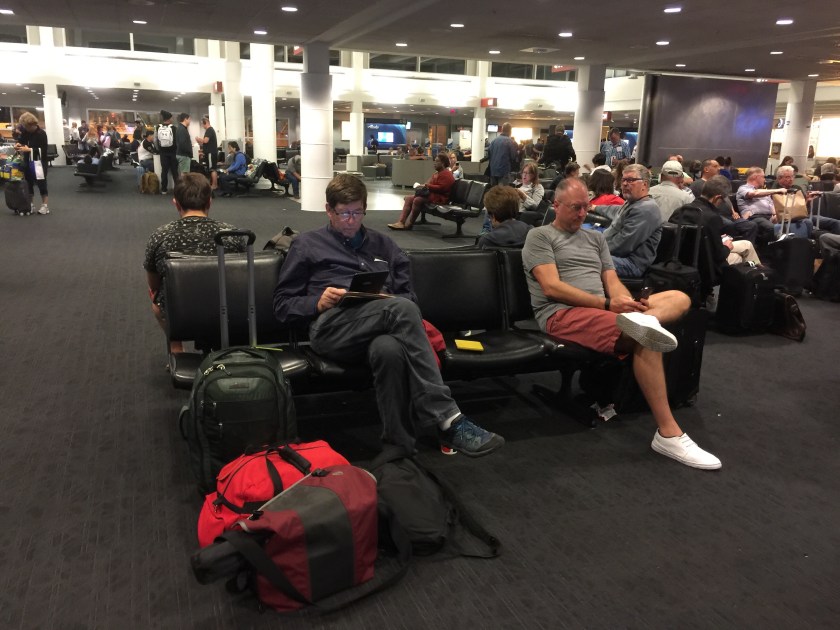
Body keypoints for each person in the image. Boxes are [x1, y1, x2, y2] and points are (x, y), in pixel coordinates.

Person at [273, 174, 505, 457]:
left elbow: (409, 298)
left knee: (389, 349)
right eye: (344, 213)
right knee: (400, 310)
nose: (351, 220)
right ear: (328, 210)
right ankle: (447, 419)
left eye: (357, 212)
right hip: (332, 330)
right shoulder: (307, 245)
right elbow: (282, 306)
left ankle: (398, 447)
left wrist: (385, 300)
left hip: (382, 326)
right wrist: (317, 302)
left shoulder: (385, 246)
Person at [522, 177, 721, 470]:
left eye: (585, 207)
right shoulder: (540, 236)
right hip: (562, 313)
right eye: (575, 207)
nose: (582, 213)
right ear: (556, 205)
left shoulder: (595, 239)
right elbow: (552, 288)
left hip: (602, 311)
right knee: (644, 335)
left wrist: (626, 302)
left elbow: (612, 282)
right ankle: (668, 433)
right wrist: (607, 304)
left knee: (679, 297)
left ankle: (639, 320)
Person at [143, 173, 245, 353]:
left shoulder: (160, 236)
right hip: (226, 304)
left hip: (181, 308)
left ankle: (176, 347)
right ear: (209, 202)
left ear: (176, 204)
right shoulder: (232, 234)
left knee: (157, 302)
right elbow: (243, 275)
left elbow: (153, 284)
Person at [670, 175, 761, 288]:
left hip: (679, 262)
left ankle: (759, 277)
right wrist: (727, 246)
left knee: (747, 244)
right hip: (706, 268)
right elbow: (719, 255)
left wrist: (716, 239)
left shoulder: (680, 211)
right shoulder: (712, 218)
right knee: (739, 256)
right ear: (717, 198)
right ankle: (758, 282)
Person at [593, 164, 663, 278]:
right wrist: (595, 207)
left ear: (644, 184)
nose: (625, 184)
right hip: (617, 256)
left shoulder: (646, 209)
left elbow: (622, 245)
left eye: (630, 180)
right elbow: (615, 211)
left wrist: (594, 249)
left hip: (631, 263)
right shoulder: (633, 203)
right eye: (623, 180)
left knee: (582, 258)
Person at [388, 153, 455, 230]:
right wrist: (423, 186)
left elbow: (442, 188)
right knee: (409, 198)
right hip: (432, 196)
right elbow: (429, 184)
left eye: (437, 161)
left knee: (417, 200)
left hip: (440, 198)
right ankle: (401, 222)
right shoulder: (437, 173)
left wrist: (427, 186)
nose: (434, 163)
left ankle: (410, 223)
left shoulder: (446, 174)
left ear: (443, 163)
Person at [775, 165, 840, 235]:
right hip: (788, 218)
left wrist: (808, 200)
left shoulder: (797, 188)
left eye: (792, 176)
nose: (791, 179)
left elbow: (803, 208)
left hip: (803, 216)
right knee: (808, 222)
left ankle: (834, 241)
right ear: (779, 178)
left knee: (836, 223)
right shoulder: (775, 190)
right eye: (788, 177)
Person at [735, 167, 788, 243]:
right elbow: (754, 193)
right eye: (763, 177)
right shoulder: (743, 188)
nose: (765, 180)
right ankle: (765, 248)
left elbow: (771, 204)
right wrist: (777, 190)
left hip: (768, 217)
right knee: (771, 228)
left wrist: (775, 215)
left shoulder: (764, 191)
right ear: (756, 177)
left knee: (785, 225)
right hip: (754, 217)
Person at [14, 112, 50, 215]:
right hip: (27, 161)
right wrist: (17, 145)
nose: (25, 128)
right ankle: (31, 205)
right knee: (28, 183)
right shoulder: (25, 132)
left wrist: (29, 149)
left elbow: (44, 150)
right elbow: (21, 141)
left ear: (32, 124)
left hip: (39, 162)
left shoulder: (41, 134)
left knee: (41, 183)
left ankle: (45, 206)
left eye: (26, 126)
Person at [156, 110, 179, 196]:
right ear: (169, 119)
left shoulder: (158, 127)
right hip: (173, 152)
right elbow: (177, 141)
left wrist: (159, 149)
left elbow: (155, 139)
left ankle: (164, 189)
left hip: (163, 153)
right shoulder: (174, 128)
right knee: (175, 172)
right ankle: (177, 189)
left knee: (164, 171)